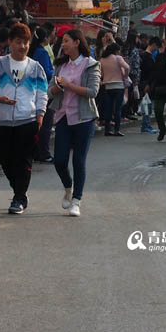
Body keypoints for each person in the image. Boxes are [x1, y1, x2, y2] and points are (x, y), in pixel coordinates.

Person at [0, 24, 49, 214]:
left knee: (24, 160)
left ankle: (19, 198)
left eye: (26, 42)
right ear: (10, 43)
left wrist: (40, 114)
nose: (22, 46)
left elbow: (42, 93)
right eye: (19, 42)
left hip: (27, 119)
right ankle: (19, 191)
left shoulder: (35, 67)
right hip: (3, 119)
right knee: (4, 158)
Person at [50, 29, 100, 217]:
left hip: (84, 118)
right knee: (60, 160)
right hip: (63, 117)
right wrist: (56, 88)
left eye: (66, 41)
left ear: (77, 43)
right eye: (62, 42)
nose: (63, 45)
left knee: (79, 160)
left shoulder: (91, 65)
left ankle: (77, 200)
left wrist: (68, 85)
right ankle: (67, 187)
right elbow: (49, 91)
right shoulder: (60, 65)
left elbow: (93, 91)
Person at [30, 27, 56, 162]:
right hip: (44, 90)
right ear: (45, 38)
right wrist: (57, 73)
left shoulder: (33, 51)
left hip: (33, 89)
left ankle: (36, 152)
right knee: (46, 123)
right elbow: (47, 72)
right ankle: (43, 154)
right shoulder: (42, 53)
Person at [99, 41, 130, 137]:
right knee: (117, 109)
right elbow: (127, 67)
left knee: (108, 109)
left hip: (107, 86)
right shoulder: (118, 58)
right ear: (116, 51)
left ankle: (107, 130)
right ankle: (117, 130)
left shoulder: (102, 59)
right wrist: (125, 76)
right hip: (119, 86)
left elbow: (101, 73)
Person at [138, 37, 160, 134]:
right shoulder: (147, 56)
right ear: (153, 44)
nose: (156, 49)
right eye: (157, 46)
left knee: (148, 105)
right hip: (147, 84)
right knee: (148, 106)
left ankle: (146, 125)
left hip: (148, 83)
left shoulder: (147, 55)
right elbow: (147, 72)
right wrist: (147, 84)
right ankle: (146, 125)